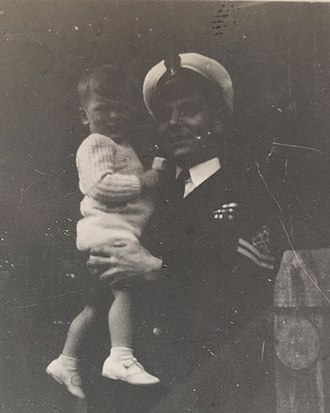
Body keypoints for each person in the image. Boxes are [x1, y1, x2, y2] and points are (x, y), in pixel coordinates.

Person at [86, 53, 282, 412]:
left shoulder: (250, 192)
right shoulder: (154, 194)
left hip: (207, 392)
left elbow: (249, 299)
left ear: (219, 119)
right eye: (164, 114)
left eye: (188, 109)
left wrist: (155, 271)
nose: (174, 122)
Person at [46, 64, 168, 399]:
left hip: (105, 231)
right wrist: (145, 181)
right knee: (126, 289)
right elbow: (99, 185)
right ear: (85, 116)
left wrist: (151, 176)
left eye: (121, 110)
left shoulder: (121, 144)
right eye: (103, 110)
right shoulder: (95, 143)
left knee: (96, 306)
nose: (114, 117)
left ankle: (65, 360)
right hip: (108, 232)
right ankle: (121, 357)